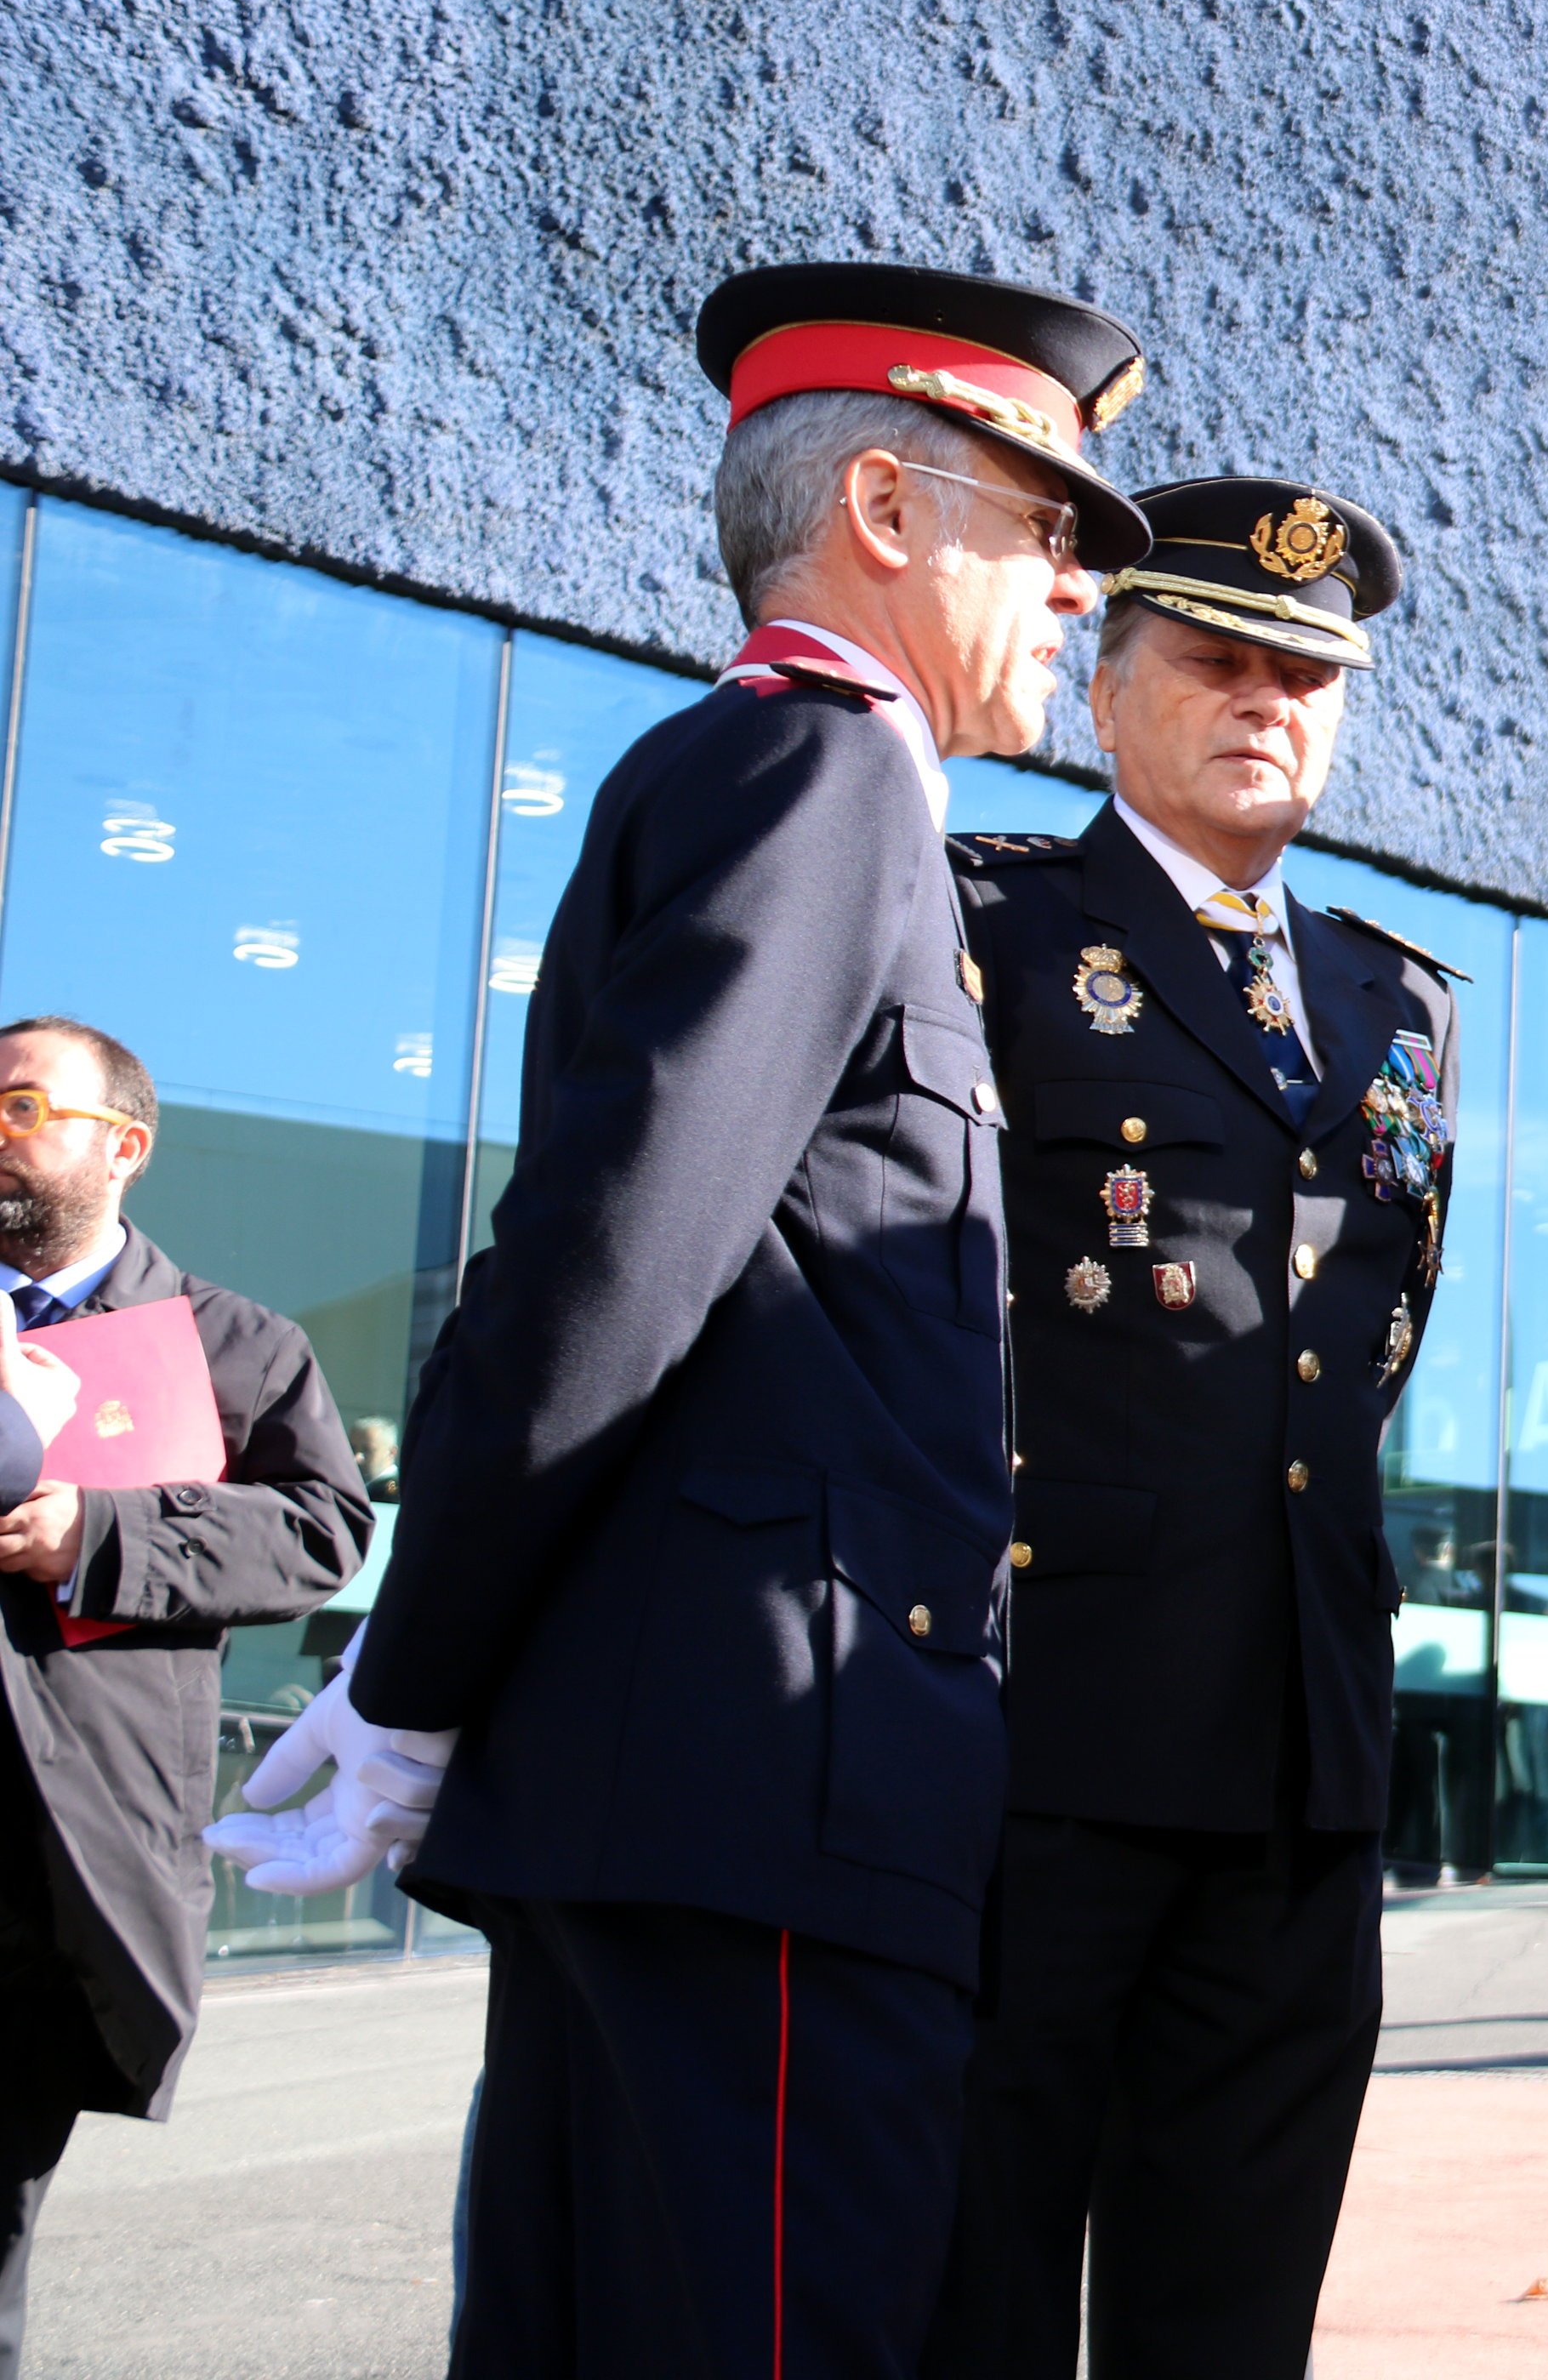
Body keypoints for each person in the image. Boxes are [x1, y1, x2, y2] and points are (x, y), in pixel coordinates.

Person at [238, 263, 1154, 2379]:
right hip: (767, 1792)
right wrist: (412, 1670)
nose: (1075, 596)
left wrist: (429, 1673)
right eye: (1044, 534)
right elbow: (613, 1257)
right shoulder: (826, 783)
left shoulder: (781, 784)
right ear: (889, 512)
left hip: (704, 1786)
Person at [925, 478, 1455, 2379]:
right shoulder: (985, 918)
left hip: (1302, 1748)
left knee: (1234, 2298)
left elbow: (1366, 1332)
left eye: (1305, 677)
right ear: (1106, 689)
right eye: (1218, 662)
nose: (1264, 705)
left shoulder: (1397, 998)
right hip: (1047, 1725)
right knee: (977, 2267)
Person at [0, 1017, 368, 2375]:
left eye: (27, 1104)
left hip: (48, 1870)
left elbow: (326, 1532)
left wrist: (95, 1533)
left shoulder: (231, 1348)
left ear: (126, 1148)